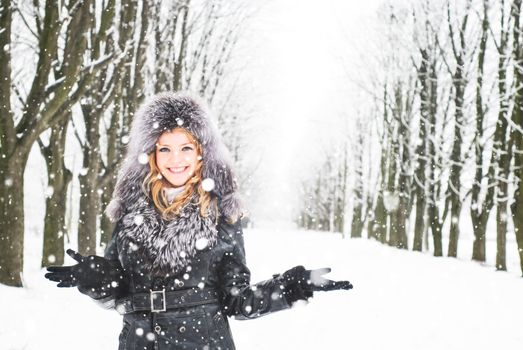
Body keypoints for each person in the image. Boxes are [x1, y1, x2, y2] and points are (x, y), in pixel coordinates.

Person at [44, 92, 353, 350]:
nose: (175, 159)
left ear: (201, 153)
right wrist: (98, 278)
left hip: (203, 342)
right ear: (151, 153)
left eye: (185, 148)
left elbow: (237, 301)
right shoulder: (129, 211)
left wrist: (289, 287)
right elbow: (119, 292)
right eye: (164, 148)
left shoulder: (221, 214)